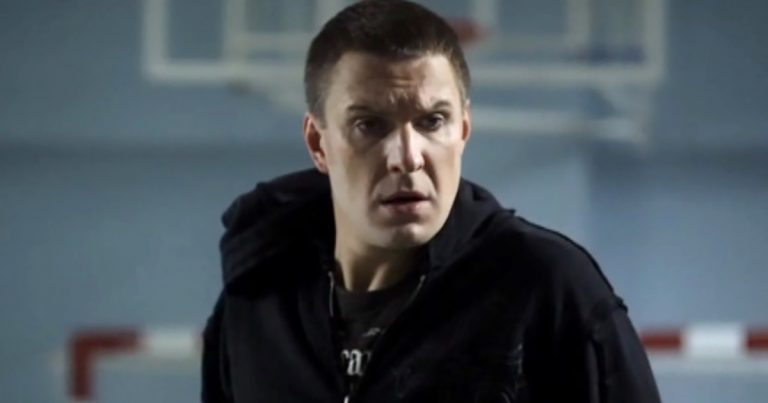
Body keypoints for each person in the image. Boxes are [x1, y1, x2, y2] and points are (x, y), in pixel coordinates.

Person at [201, 1, 661, 402]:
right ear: (317, 143)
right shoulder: (255, 303)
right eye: (369, 125)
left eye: (432, 121)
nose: (407, 157)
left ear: (463, 130)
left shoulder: (548, 290)